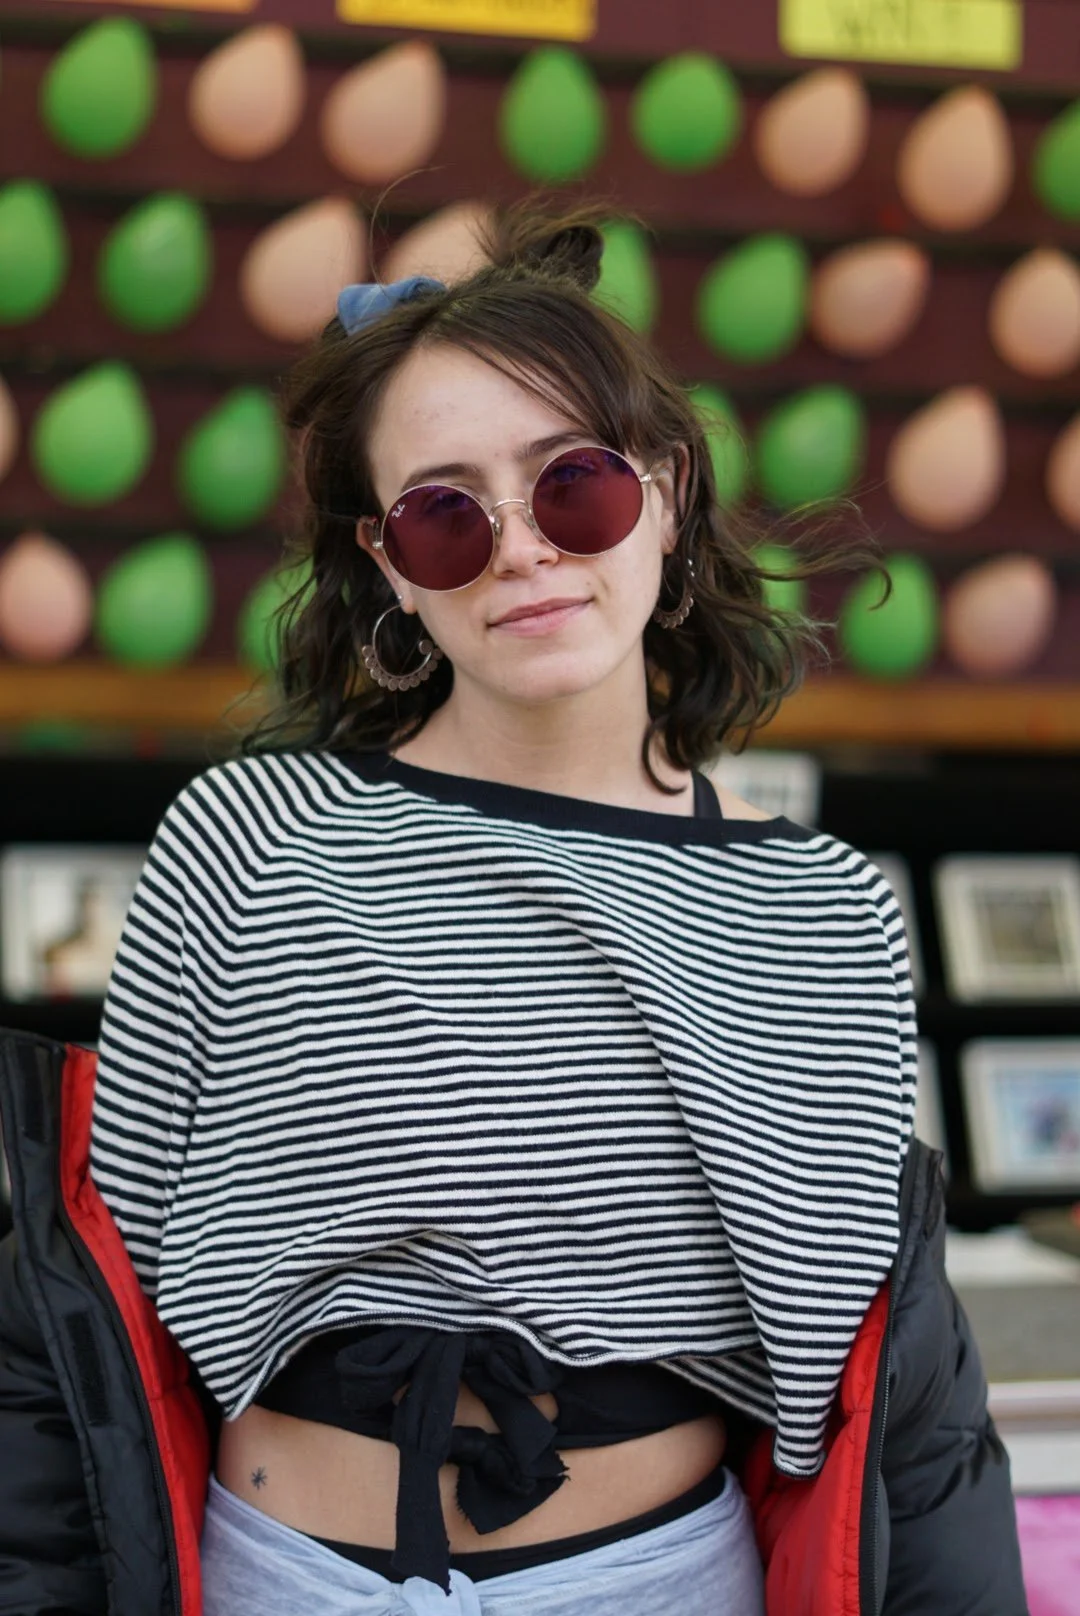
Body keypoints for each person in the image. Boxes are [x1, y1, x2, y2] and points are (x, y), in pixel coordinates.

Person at [0, 204, 1028, 1616]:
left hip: (654, 1584)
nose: (524, 549)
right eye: (445, 515)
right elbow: (78, 1319)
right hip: (277, 1580)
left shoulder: (820, 907)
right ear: (389, 567)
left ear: (666, 493)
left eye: (573, 485)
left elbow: (899, 1395)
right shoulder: (249, 840)